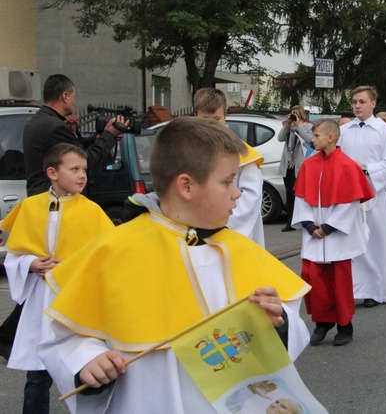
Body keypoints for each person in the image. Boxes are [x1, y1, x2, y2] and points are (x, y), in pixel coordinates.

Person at [38, 117, 310, 413]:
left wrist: (278, 322)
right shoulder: (113, 251)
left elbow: (289, 321)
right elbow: (63, 338)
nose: (238, 193)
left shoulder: (240, 249)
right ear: (186, 186)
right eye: (228, 181)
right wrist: (86, 361)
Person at [0, 143, 114, 414]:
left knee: (80, 366)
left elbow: (105, 258)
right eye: (74, 169)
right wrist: (31, 263)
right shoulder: (29, 207)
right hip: (41, 301)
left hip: (74, 300)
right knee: (37, 374)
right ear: (52, 172)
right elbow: (14, 255)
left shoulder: (92, 211)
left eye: (84, 169)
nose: (82, 175)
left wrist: (73, 266)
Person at [292, 119, 374, 346]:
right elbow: (301, 197)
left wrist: (328, 227)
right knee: (313, 279)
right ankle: (322, 322)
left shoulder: (348, 165)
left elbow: (350, 202)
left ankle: (345, 326)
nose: (312, 139)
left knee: (339, 282)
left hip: (336, 235)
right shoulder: (309, 164)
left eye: (316, 135)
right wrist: (309, 225)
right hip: (314, 234)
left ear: (331, 137)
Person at [338, 86, 386, 308]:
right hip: (349, 196)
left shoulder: (385, 131)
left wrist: (363, 169)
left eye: (362, 102)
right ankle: (353, 289)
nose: (357, 106)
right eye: (354, 102)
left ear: (373, 104)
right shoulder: (344, 132)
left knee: (376, 242)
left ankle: (376, 290)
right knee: (352, 242)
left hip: (375, 194)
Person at [22, 74, 126, 196]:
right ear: (65, 96)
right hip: (56, 201)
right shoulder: (56, 127)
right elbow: (85, 160)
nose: (74, 102)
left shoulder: (35, 122)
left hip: (39, 198)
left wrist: (97, 137)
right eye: (73, 97)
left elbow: (74, 146)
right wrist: (109, 135)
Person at [194, 87, 266, 247]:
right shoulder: (189, 151)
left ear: (225, 117)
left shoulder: (244, 154)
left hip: (231, 232)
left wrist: (218, 223)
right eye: (205, 119)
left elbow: (251, 197)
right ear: (196, 117)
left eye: (216, 119)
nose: (211, 125)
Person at [278, 106, 314, 232]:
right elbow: (280, 138)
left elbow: (309, 140)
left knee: (299, 194)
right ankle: (290, 222)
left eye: (296, 114)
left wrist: (298, 126)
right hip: (288, 165)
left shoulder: (308, 127)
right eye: (292, 114)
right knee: (289, 194)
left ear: (302, 115)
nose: (293, 116)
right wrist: (287, 125)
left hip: (300, 165)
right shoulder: (290, 128)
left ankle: (303, 220)